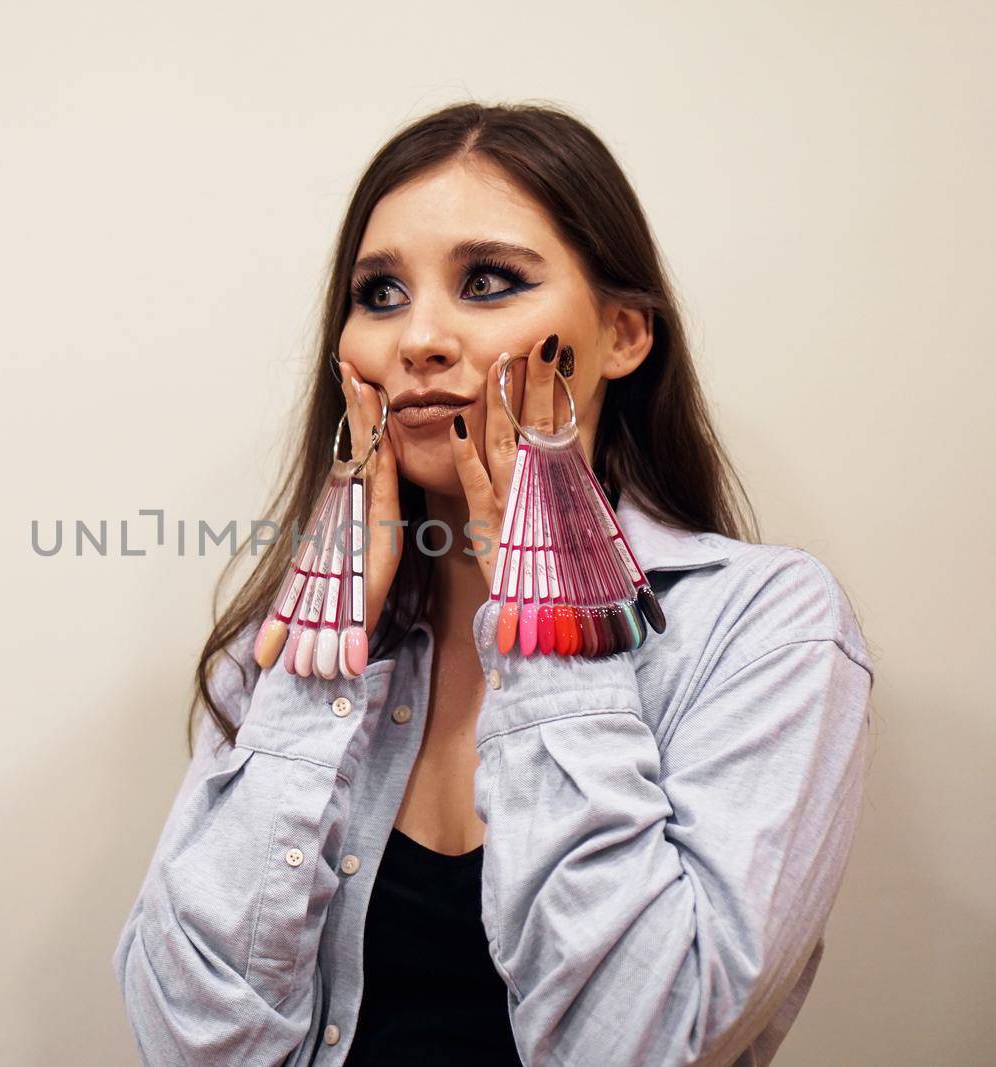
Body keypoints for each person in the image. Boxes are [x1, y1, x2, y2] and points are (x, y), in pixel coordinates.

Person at [112, 100, 875, 1066]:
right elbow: (189, 1043)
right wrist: (321, 662)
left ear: (625, 335)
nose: (418, 338)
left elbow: (641, 1043)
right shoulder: (287, 642)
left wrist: (550, 613)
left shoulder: (766, 626)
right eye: (380, 294)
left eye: (488, 281)